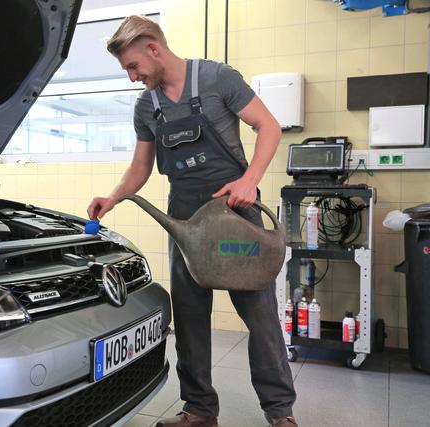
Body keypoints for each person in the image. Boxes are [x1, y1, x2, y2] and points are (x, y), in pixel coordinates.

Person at [87, 16, 298, 427]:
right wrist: (113, 197)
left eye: (133, 66)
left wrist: (250, 181)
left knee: (260, 314)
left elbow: (268, 126)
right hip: (184, 220)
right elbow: (141, 167)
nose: (132, 77)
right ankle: (200, 410)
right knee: (189, 315)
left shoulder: (218, 79)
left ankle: (280, 413)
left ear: (153, 49)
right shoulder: (146, 106)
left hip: (234, 214)